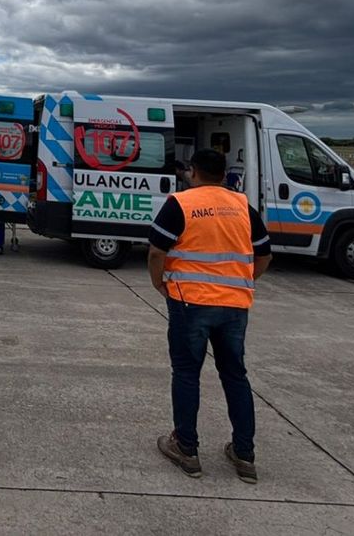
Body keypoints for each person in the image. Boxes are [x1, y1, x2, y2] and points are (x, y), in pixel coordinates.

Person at [146, 148, 272, 483]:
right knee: (235, 375)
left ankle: (186, 449)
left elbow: (157, 251)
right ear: (224, 175)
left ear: (193, 171)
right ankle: (244, 455)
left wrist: (159, 283)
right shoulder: (242, 206)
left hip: (190, 303)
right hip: (234, 306)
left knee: (187, 374)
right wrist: (243, 281)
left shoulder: (181, 203)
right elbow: (264, 254)